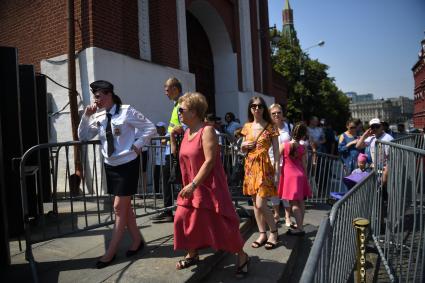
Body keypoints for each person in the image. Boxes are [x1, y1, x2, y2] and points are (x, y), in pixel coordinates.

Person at [78, 80, 156, 268]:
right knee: (125, 208)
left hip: (127, 164)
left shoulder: (126, 111)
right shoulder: (98, 115)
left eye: (98, 96)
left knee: (118, 208)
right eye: (95, 96)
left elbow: (150, 128)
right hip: (110, 165)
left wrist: (138, 145)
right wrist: (86, 117)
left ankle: (110, 252)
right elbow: (83, 137)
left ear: (108, 94)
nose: (96, 100)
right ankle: (137, 241)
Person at [173, 92, 249, 278]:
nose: (179, 113)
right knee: (182, 219)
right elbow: (180, 157)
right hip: (191, 187)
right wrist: (172, 135)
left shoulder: (207, 131)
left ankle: (242, 256)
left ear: (193, 112)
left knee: (222, 224)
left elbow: (209, 161)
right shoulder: (187, 133)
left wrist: (193, 184)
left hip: (208, 186)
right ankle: (192, 253)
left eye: (181, 109)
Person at [241, 96, 280, 250]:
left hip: (264, 167)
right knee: (255, 205)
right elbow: (242, 148)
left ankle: (274, 232)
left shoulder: (270, 127)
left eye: (260, 106)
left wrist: (277, 170)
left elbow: (276, 150)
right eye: (254, 106)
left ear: (264, 109)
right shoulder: (247, 126)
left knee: (261, 203)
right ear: (250, 109)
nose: (257, 108)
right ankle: (262, 233)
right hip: (250, 166)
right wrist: (243, 146)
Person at [150, 77, 184, 222]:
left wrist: (171, 137)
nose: (165, 92)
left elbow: (184, 126)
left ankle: (183, 211)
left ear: (175, 89)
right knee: (167, 179)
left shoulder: (182, 104)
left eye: (167, 89)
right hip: (171, 149)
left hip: (177, 149)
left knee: (179, 180)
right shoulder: (176, 104)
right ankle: (168, 210)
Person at [278, 123, 312, 236]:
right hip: (300, 175)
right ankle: (300, 225)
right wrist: (306, 179)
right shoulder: (303, 148)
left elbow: (276, 159)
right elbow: (304, 164)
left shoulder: (284, 145)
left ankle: (300, 228)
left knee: (294, 203)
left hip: (289, 176)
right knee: (301, 201)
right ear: (303, 135)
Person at [268, 103, 293, 227]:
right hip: (272, 163)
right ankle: (276, 214)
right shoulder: (267, 128)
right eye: (273, 113)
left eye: (279, 112)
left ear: (282, 114)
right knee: (274, 191)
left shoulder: (289, 126)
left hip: (287, 163)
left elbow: (295, 143)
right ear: (270, 115)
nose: (276, 115)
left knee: (286, 191)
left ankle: (288, 216)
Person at [152, 122, 170, 203]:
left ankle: (165, 193)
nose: (157, 129)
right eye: (157, 127)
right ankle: (156, 193)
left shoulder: (167, 136)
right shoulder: (156, 137)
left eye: (159, 128)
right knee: (156, 177)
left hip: (164, 161)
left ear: (163, 128)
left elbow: (165, 144)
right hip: (157, 161)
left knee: (165, 179)